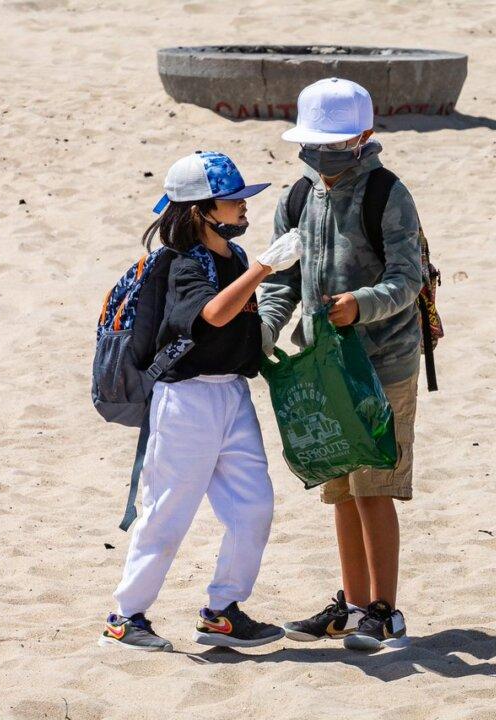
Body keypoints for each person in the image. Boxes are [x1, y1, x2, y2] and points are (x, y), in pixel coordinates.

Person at [101, 151, 303, 651]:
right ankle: (125, 618)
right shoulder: (181, 264)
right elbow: (211, 315)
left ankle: (222, 612)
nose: (243, 207)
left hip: (231, 394)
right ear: (200, 210)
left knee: (253, 507)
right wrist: (263, 268)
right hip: (185, 401)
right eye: (232, 200)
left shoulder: (231, 259)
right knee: (167, 514)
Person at [258, 79, 423, 650]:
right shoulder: (296, 198)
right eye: (314, 145)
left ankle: (385, 611)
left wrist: (360, 306)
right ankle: (351, 607)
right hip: (322, 365)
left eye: (334, 145)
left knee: (374, 486)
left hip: (384, 363)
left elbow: (408, 279)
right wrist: (263, 331)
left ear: (365, 137)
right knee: (341, 490)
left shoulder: (388, 194)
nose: (321, 157)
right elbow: (280, 280)